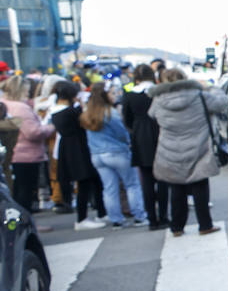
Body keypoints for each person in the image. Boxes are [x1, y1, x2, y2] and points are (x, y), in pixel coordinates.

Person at [149, 67, 228, 235]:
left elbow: (152, 115)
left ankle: (177, 227)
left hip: (169, 149)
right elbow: (223, 102)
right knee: (200, 186)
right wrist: (210, 86)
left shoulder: (158, 100)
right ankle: (205, 225)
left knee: (176, 189)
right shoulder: (199, 96)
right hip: (198, 146)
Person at [80, 80, 148, 228]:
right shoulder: (110, 113)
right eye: (112, 92)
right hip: (116, 152)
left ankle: (116, 219)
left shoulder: (87, 113)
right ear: (104, 95)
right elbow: (122, 133)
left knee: (109, 188)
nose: (115, 95)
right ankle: (139, 216)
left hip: (97, 154)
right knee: (132, 184)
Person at [49, 81, 106, 228]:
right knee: (86, 182)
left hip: (70, 149)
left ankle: (100, 213)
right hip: (78, 149)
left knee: (91, 181)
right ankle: (83, 218)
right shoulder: (69, 112)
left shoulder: (56, 111)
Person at [121, 64, 168, 230]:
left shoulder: (129, 95)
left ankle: (152, 219)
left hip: (140, 138)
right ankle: (163, 216)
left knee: (146, 181)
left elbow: (126, 120)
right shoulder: (159, 92)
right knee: (163, 180)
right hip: (160, 133)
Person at [1, 75, 53, 213]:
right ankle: (26, 223)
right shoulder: (20, 108)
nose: (28, 93)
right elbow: (33, 132)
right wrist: (50, 127)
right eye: (26, 90)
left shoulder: (5, 104)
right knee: (25, 192)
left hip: (13, 153)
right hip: (25, 154)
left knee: (17, 190)